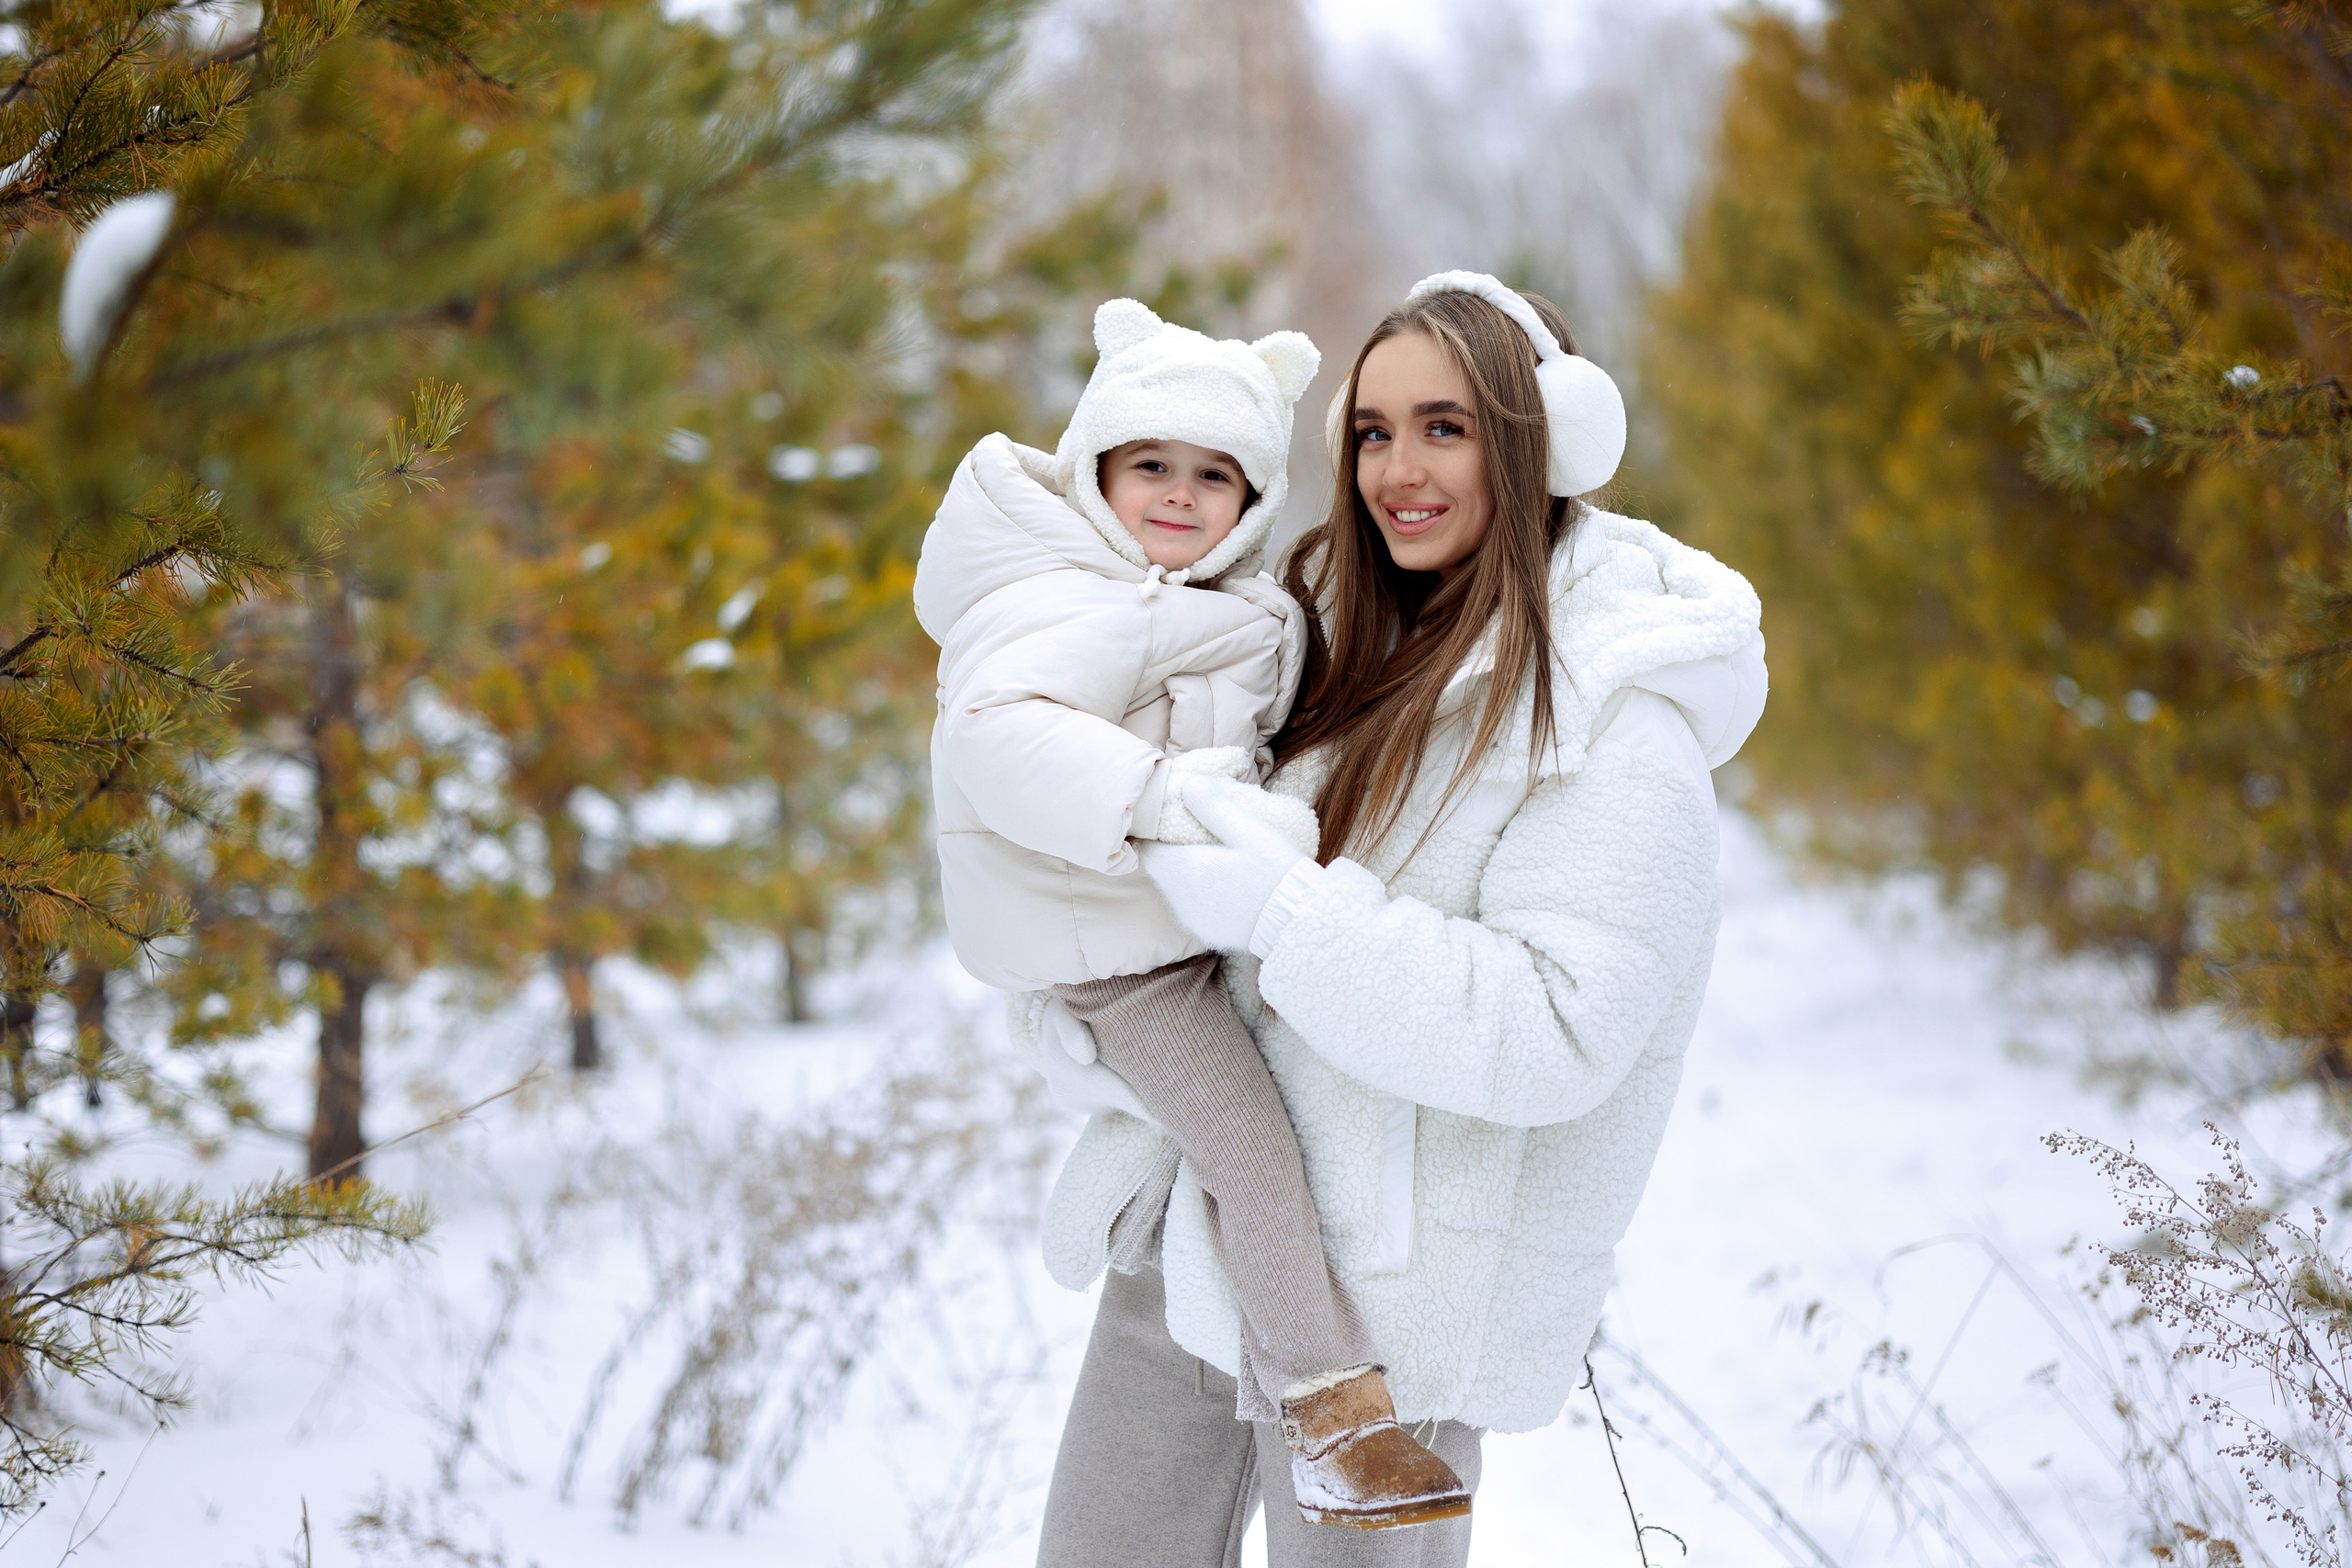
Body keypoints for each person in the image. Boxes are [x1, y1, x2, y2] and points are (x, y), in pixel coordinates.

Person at [1028, 272, 1769, 1565]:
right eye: (1372, 431)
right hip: (1191, 1248)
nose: (1397, 469)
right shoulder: (1321, 636)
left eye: (1446, 426)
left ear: (1542, 439)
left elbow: (1557, 1030)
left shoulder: (1614, 712)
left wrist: (1288, 914)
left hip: (1385, 1324)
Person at [913, 297, 1473, 1532]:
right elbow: (996, 735)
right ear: (1094, 468)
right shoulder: (1069, 595)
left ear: (1252, 497)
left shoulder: (1207, 600)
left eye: (1213, 474)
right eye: (1149, 465)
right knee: (1255, 1156)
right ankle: (1336, 1418)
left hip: (1166, 929)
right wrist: (1160, 797)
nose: (1178, 495)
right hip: (1125, 960)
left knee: (1273, 1148)